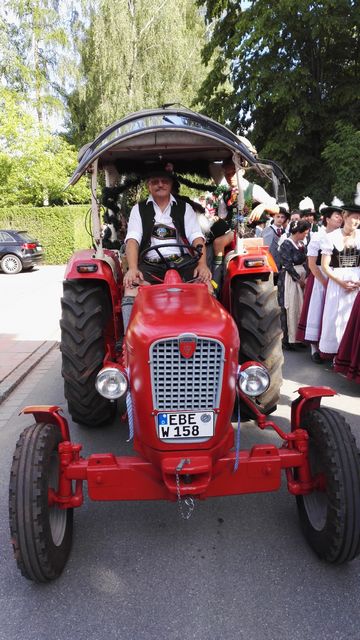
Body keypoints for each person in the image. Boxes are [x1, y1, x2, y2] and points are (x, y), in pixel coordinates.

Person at [122, 166, 211, 331]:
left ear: (170, 184)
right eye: (155, 182)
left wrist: (202, 264)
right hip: (150, 265)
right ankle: (129, 339)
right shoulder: (139, 209)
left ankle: (208, 333)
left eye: (164, 181)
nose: (160, 185)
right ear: (149, 185)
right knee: (130, 286)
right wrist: (133, 268)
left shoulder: (184, 208)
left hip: (182, 263)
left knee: (206, 283)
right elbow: (133, 239)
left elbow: (196, 237)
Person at [210, 159, 281, 288]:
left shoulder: (253, 189)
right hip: (230, 231)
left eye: (233, 173)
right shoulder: (225, 195)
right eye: (227, 174)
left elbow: (276, 208)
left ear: (242, 171)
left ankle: (217, 278)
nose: (230, 177)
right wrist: (216, 220)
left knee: (218, 242)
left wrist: (263, 206)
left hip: (246, 231)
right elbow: (222, 217)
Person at [296, 199, 344, 363]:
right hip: (320, 278)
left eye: (341, 216)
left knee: (333, 315)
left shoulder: (343, 236)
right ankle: (314, 348)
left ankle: (332, 348)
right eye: (337, 216)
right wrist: (325, 282)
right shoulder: (318, 236)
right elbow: (311, 264)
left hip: (336, 279)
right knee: (317, 311)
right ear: (327, 219)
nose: (340, 219)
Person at [318, 204, 360, 358]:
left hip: (357, 281)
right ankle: (337, 354)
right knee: (335, 318)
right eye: (354, 217)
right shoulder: (332, 237)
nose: (357, 221)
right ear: (345, 216)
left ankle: (350, 354)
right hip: (337, 282)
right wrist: (340, 282)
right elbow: (325, 266)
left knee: (352, 319)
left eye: (359, 219)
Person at [277, 219, 311, 349]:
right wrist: (299, 279)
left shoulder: (301, 244)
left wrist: (306, 277)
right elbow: (287, 265)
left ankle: (299, 338)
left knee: (300, 308)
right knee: (290, 308)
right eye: (305, 233)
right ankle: (288, 340)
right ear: (299, 232)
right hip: (290, 279)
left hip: (300, 277)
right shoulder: (286, 244)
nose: (306, 235)